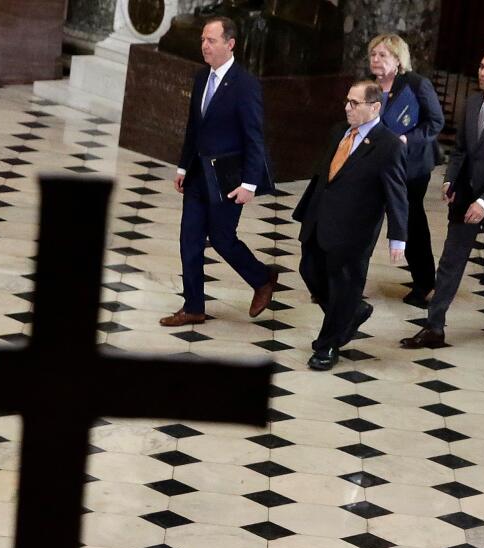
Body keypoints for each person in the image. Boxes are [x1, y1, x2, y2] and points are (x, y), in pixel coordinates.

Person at [400, 48, 484, 349]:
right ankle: (435, 326)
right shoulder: (472, 103)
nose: (482, 73)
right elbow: (461, 150)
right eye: (481, 66)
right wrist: (450, 179)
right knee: (451, 260)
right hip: (467, 195)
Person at [161, 16, 276, 327]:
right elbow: (193, 128)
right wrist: (184, 166)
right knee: (190, 239)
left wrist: (250, 183)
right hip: (198, 174)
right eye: (202, 40)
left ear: (230, 43)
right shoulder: (201, 78)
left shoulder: (245, 84)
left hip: (227, 178)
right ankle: (194, 306)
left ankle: (263, 278)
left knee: (223, 239)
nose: (204, 46)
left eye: (211, 40)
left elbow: (254, 138)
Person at [292, 81, 408, 371]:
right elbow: (325, 177)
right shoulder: (338, 132)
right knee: (309, 269)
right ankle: (353, 311)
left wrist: (398, 237)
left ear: (375, 107)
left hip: (355, 231)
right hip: (320, 218)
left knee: (344, 286)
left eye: (354, 103)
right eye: (347, 101)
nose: (347, 107)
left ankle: (328, 345)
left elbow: (396, 193)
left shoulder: (388, 145)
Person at [368, 33, 444, 307]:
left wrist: (406, 139)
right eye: (373, 55)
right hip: (378, 163)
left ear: (399, 60)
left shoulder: (416, 84)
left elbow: (435, 122)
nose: (376, 60)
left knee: (410, 220)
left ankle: (426, 284)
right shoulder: (370, 87)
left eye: (383, 55)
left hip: (411, 166)